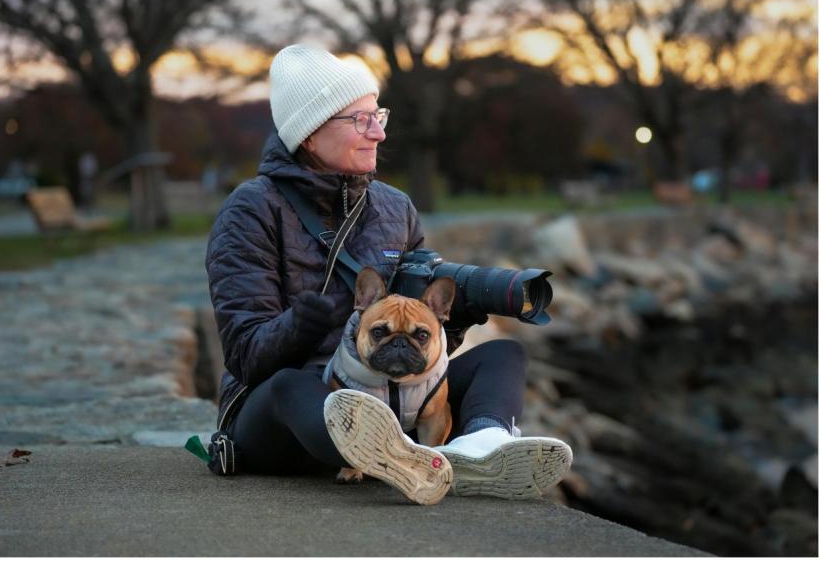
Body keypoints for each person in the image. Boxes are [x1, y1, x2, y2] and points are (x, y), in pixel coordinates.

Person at [205, 44, 572, 503]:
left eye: (378, 116)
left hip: (390, 397)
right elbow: (244, 355)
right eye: (360, 120)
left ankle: (479, 448)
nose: (378, 133)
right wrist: (299, 326)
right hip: (288, 415)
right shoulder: (251, 211)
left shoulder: (395, 207)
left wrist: (452, 320)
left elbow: (412, 343)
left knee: (503, 355)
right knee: (290, 386)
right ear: (310, 133)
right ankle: (401, 456)